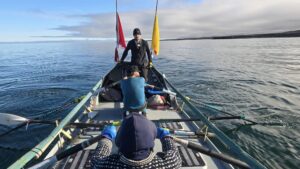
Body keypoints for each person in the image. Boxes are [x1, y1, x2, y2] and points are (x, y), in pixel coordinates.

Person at [91, 113, 182, 169]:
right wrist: (166, 137)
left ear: (119, 141)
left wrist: (106, 138)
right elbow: (175, 154)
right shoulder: (169, 163)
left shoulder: (105, 165)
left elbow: (96, 158)